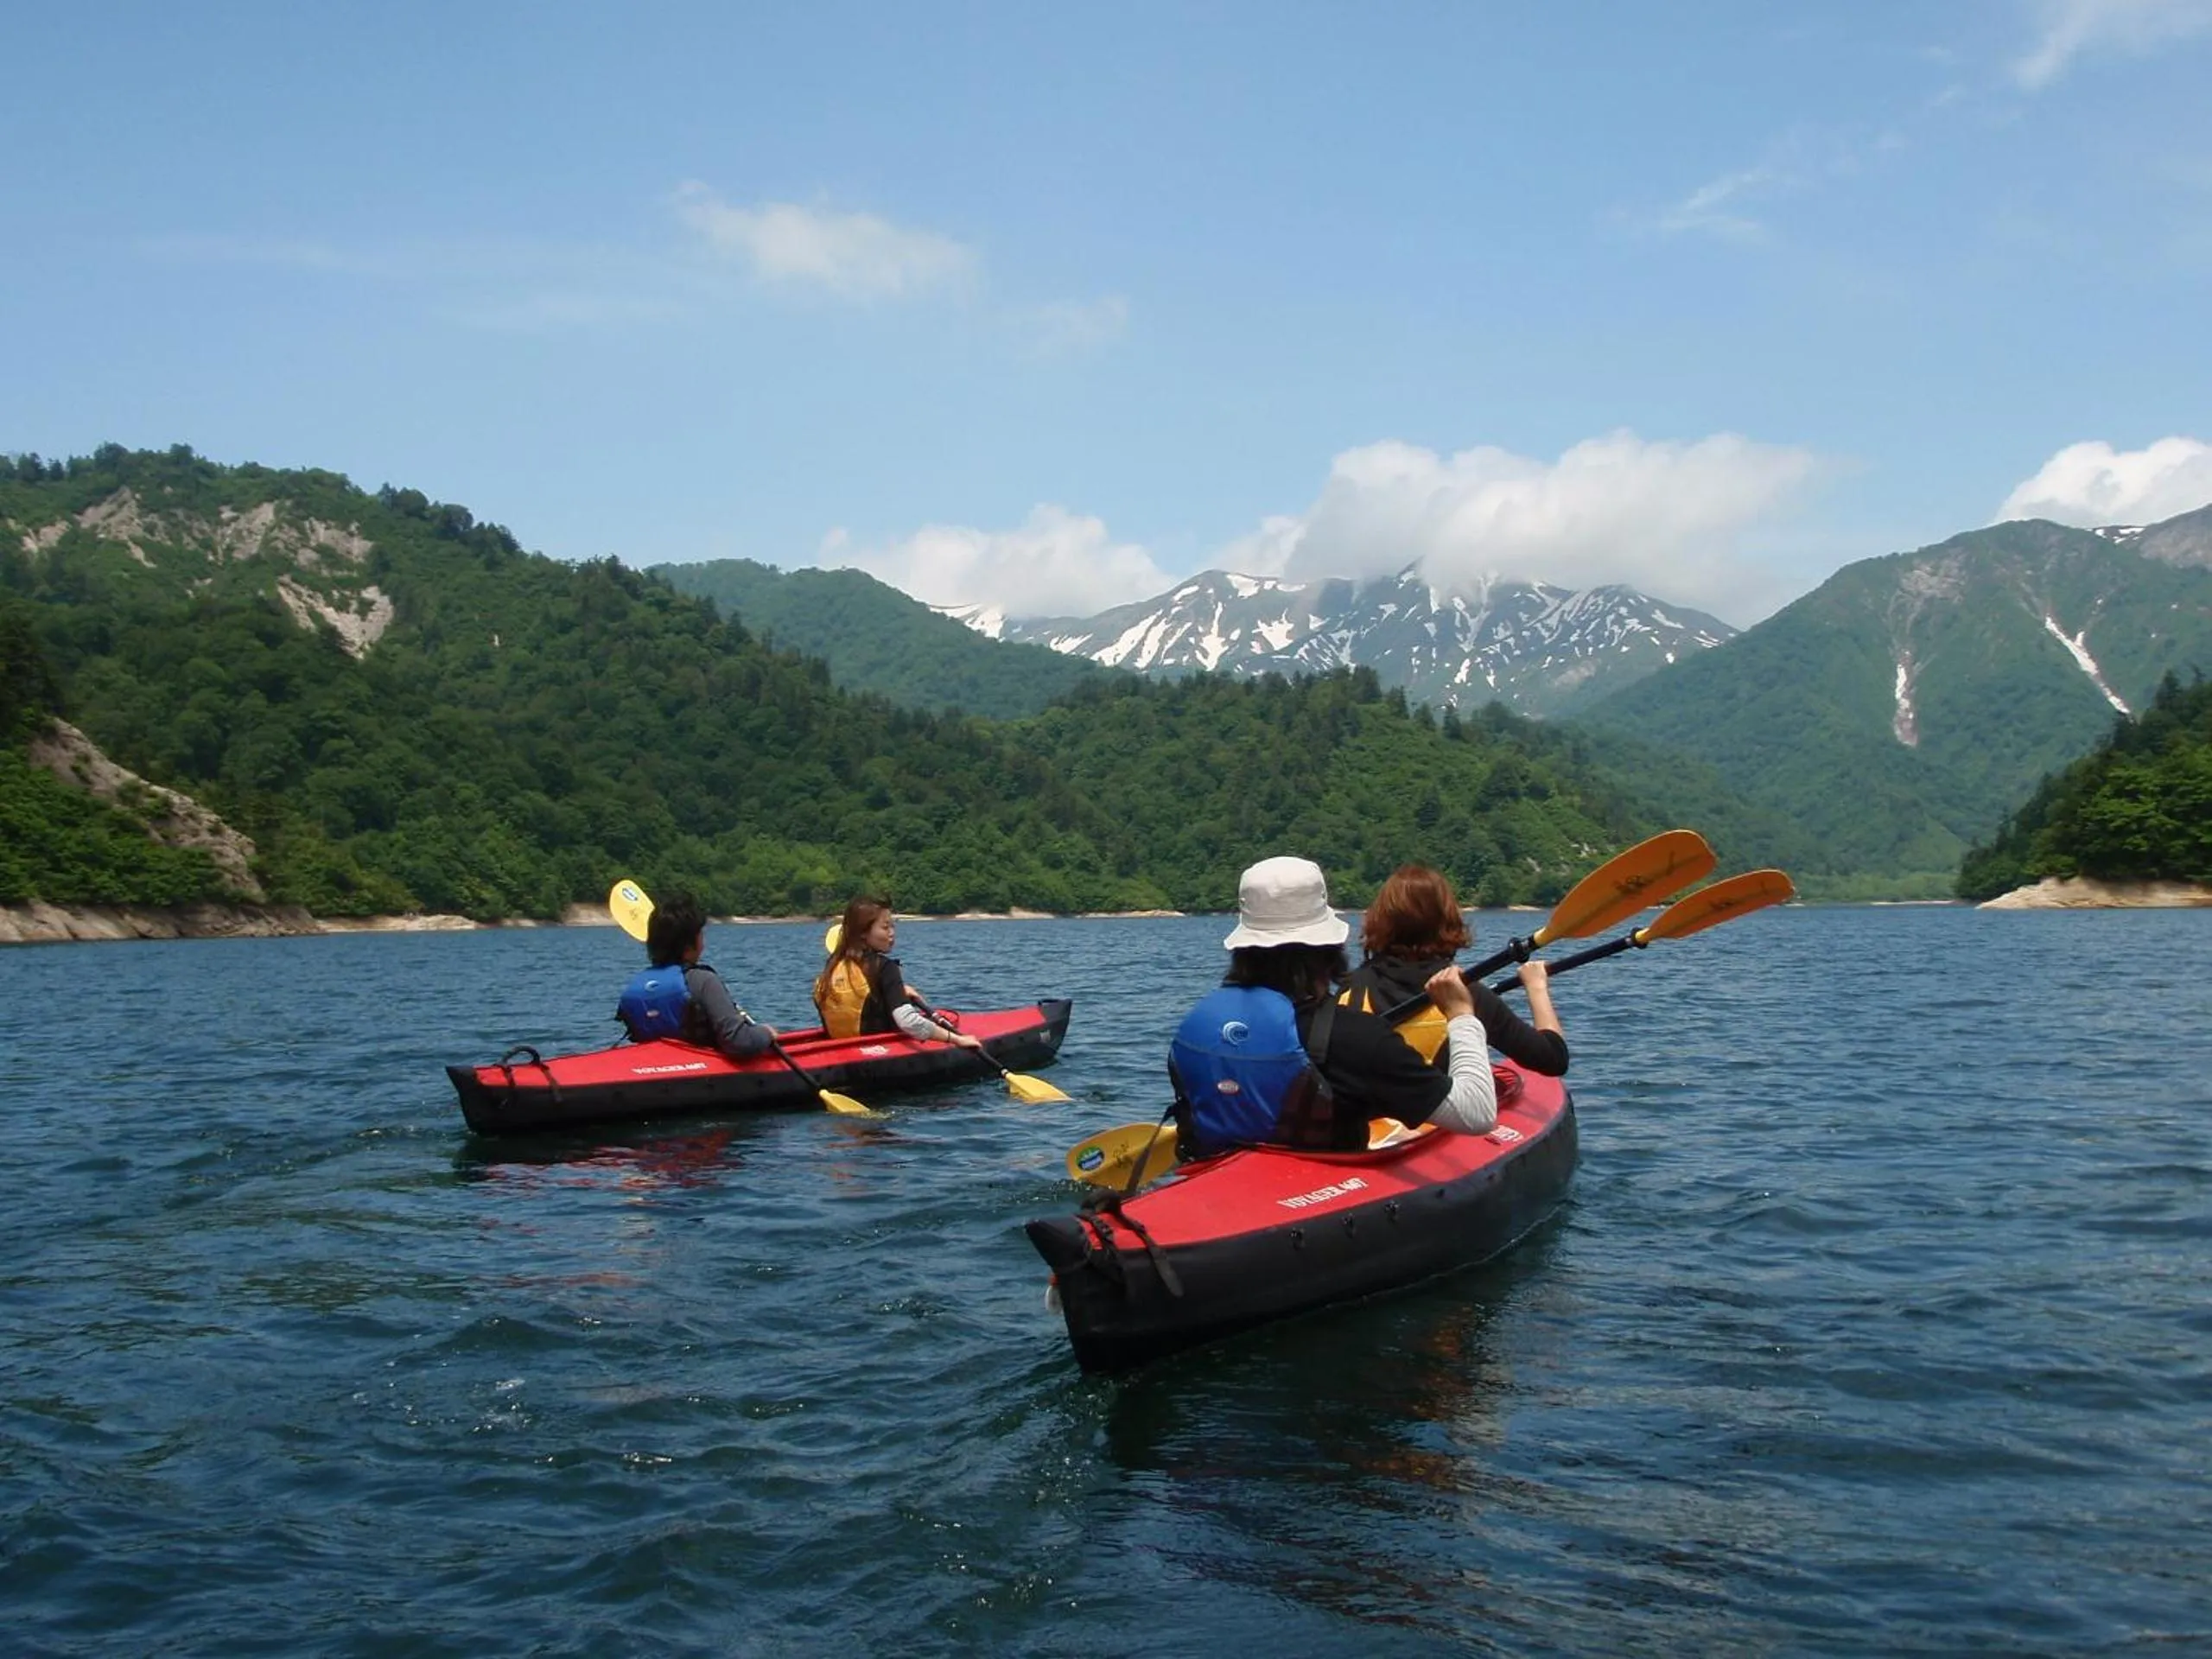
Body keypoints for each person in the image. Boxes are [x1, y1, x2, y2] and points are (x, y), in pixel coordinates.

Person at [1167, 855, 1497, 1160]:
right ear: (1329, 947)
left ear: (1243, 948)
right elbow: (1476, 1113)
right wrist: (1461, 1015)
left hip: (1215, 1175)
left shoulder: (1200, 1023)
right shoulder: (1355, 1037)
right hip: (1314, 1199)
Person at [1341, 863, 1568, 1076]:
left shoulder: (1350, 990)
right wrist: (1536, 986)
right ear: (1447, 920)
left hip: (1366, 1117)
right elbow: (1553, 1059)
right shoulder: (1468, 996)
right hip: (1438, 1114)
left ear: (1378, 920)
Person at [615, 889, 777, 1059]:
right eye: (701, 934)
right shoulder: (703, 981)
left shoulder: (637, 985)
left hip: (653, 1067)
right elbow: (738, 1041)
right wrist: (766, 1033)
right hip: (702, 1073)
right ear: (691, 943)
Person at [812, 897, 985, 1052]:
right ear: (863, 932)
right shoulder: (885, 967)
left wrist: (895, 991)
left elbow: (860, 995)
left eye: (893, 926)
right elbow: (908, 1022)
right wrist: (956, 1039)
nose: (892, 933)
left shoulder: (833, 965)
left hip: (839, 1050)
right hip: (877, 1053)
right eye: (885, 927)